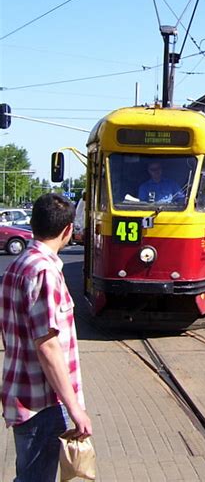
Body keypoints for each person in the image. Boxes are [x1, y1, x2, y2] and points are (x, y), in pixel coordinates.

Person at [0, 193, 92, 482]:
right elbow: (49, 346)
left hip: (23, 394)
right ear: (67, 231)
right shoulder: (44, 272)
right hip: (43, 404)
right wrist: (75, 409)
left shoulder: (17, 266)